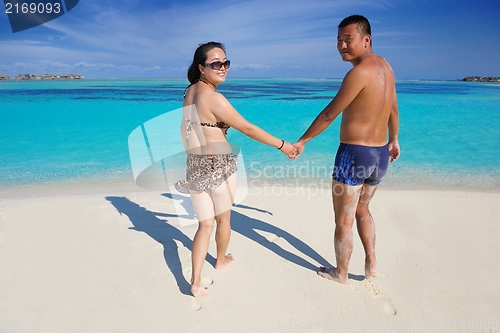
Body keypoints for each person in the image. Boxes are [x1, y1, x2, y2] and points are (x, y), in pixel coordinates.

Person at [175, 42, 297, 297]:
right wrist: (283, 145)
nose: (223, 68)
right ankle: (220, 259)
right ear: (202, 67)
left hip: (195, 167)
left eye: (226, 62)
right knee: (224, 219)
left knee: (204, 226)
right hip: (218, 166)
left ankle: (195, 282)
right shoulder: (214, 98)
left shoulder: (189, 92)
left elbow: (183, 129)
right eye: (216, 64)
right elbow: (248, 128)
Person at [292, 15, 401, 284]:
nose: (342, 45)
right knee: (363, 209)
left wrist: (303, 141)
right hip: (379, 155)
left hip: (354, 155)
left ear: (367, 40)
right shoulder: (386, 67)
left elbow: (330, 114)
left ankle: (341, 273)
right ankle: (372, 264)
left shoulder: (358, 72)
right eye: (339, 40)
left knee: (344, 219)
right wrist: (395, 139)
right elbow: (394, 108)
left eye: (347, 39)